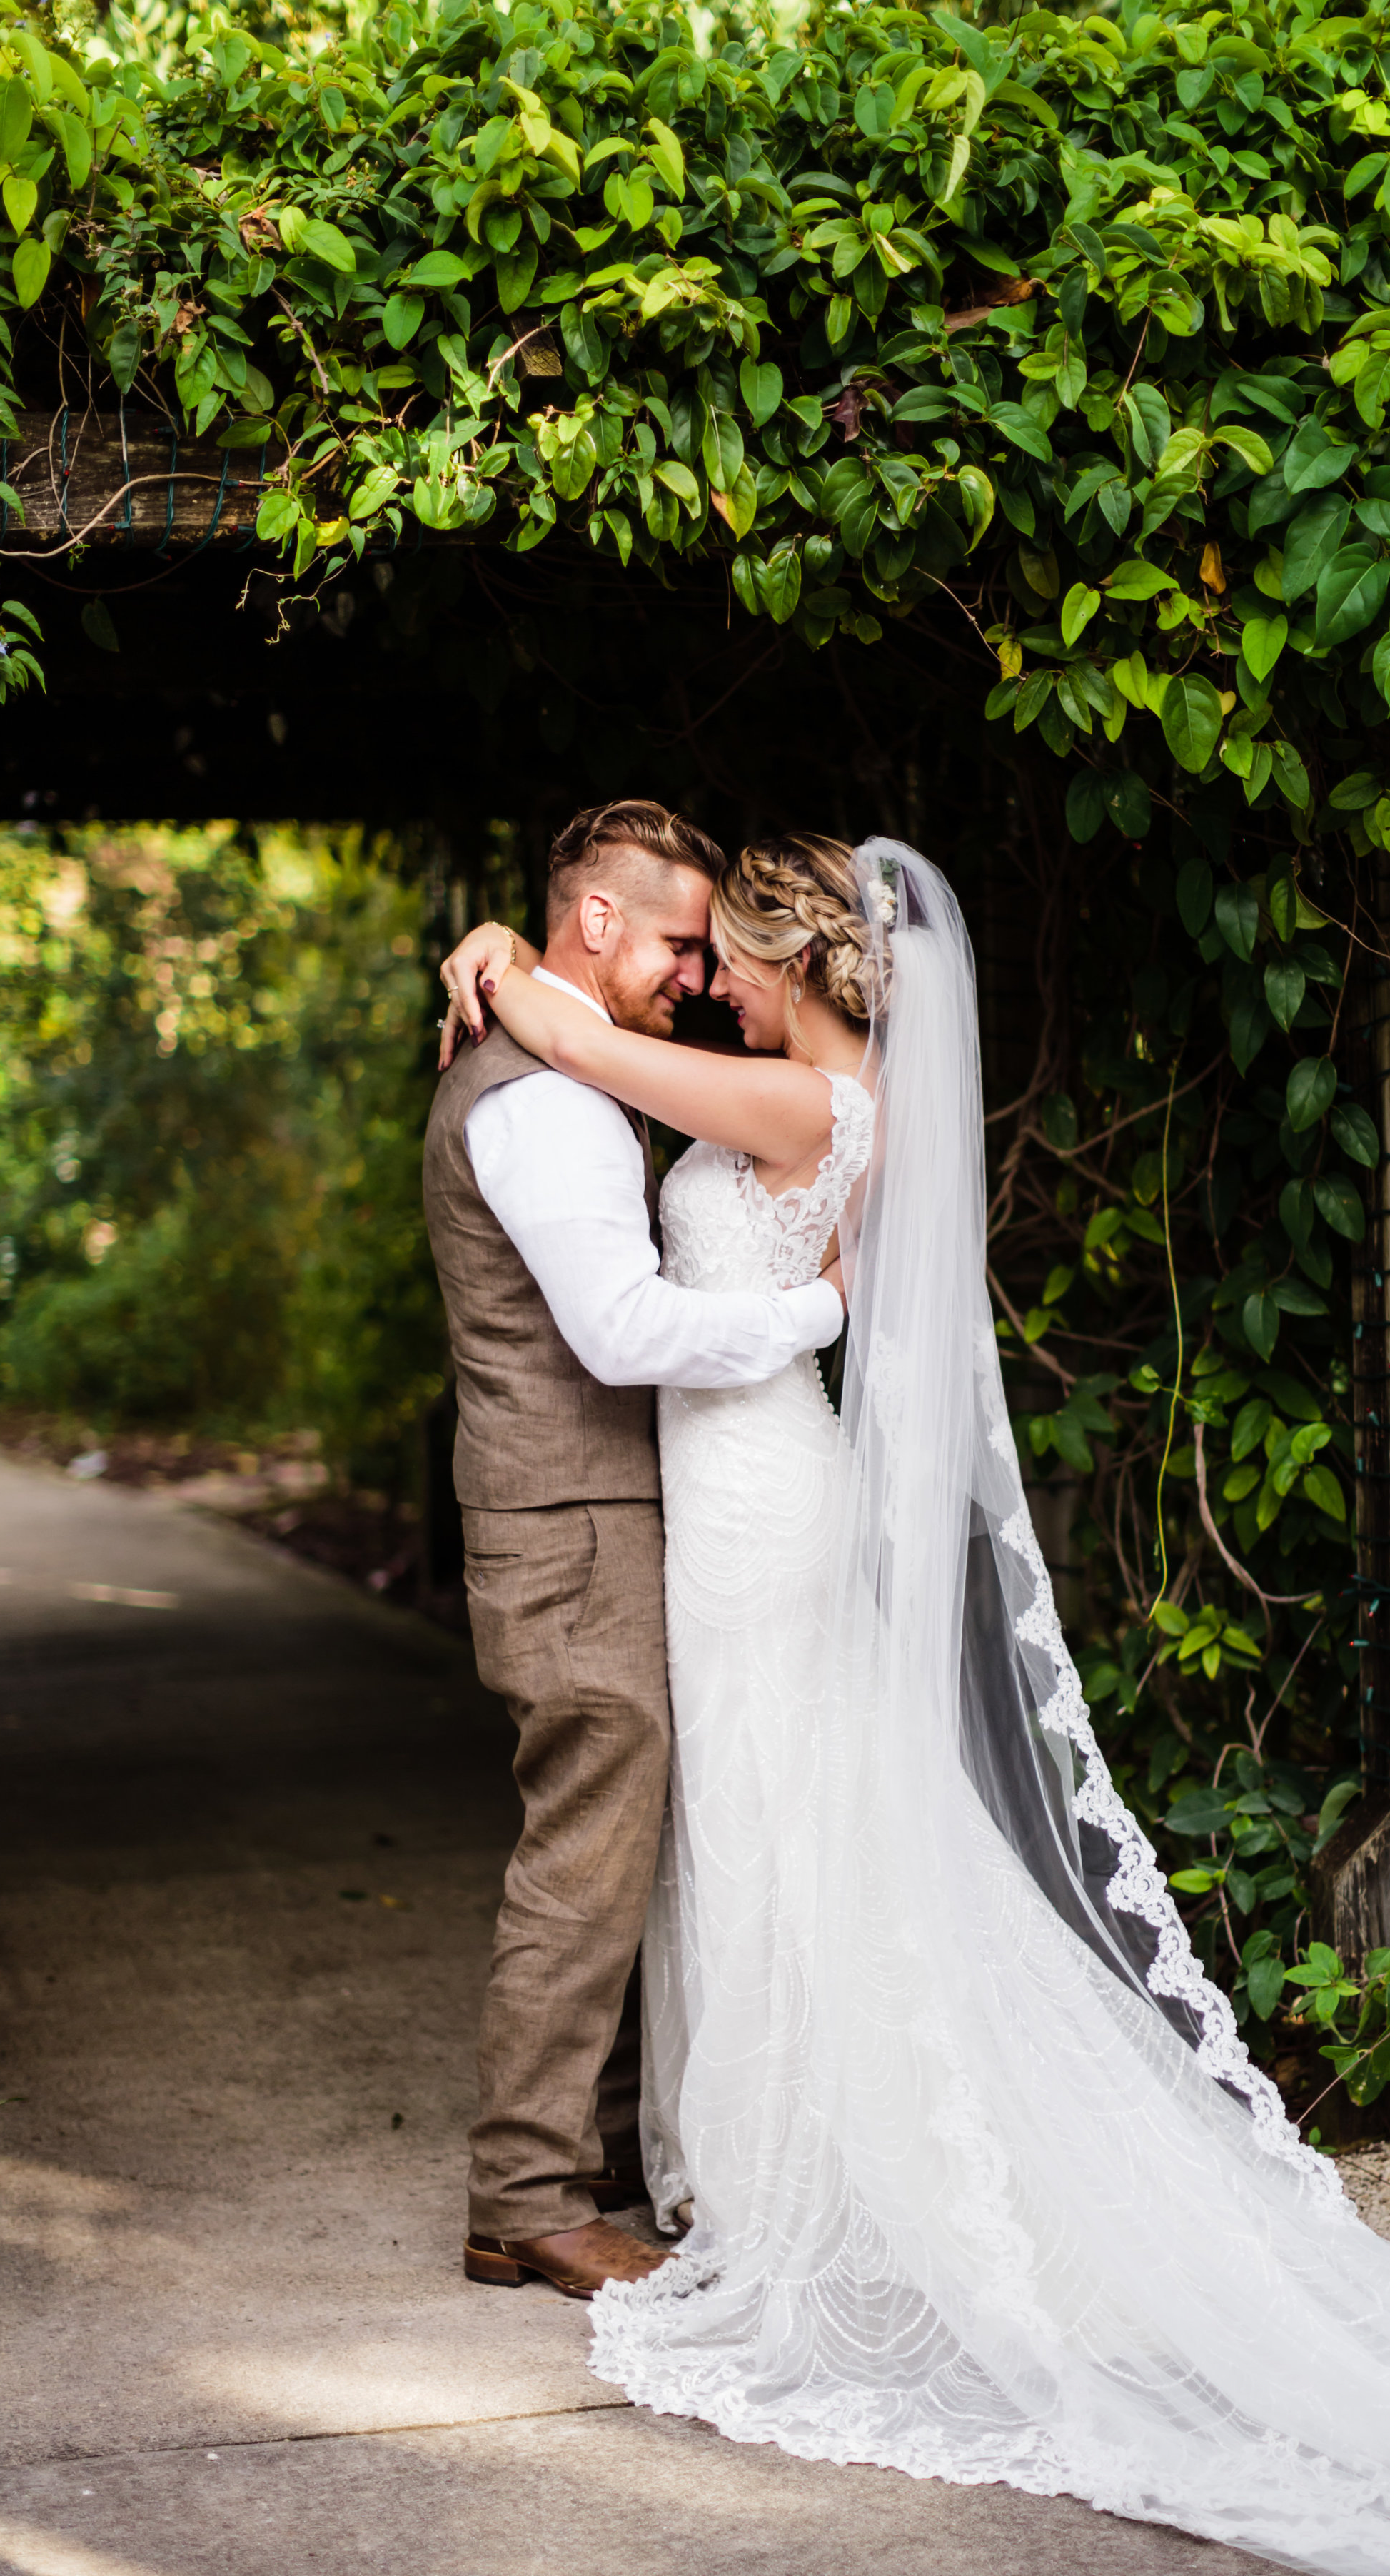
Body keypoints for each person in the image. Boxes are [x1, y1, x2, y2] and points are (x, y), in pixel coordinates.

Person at [441, 834, 1390, 2576]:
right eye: (691, 952)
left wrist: (498, 972)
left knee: (776, 1825)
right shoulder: (815, 1085)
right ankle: (737, 2163)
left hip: (754, 1498)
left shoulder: (805, 1100)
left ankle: (803, 2178)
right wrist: (509, 954)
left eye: (725, 953)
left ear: (800, 964)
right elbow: (607, 1062)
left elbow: (596, 1059)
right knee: (751, 1824)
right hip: (737, 1489)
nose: (706, 976)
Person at [422, 800, 844, 2303]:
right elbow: (618, 1333)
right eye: (673, 940)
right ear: (593, 921)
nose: (690, 973)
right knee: (587, 1850)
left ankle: (586, 2158)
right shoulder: (540, 1100)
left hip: (603, 1520)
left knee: (629, 1841)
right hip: (568, 1526)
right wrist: (817, 1314)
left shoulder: (554, 1063)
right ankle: (527, 2200)